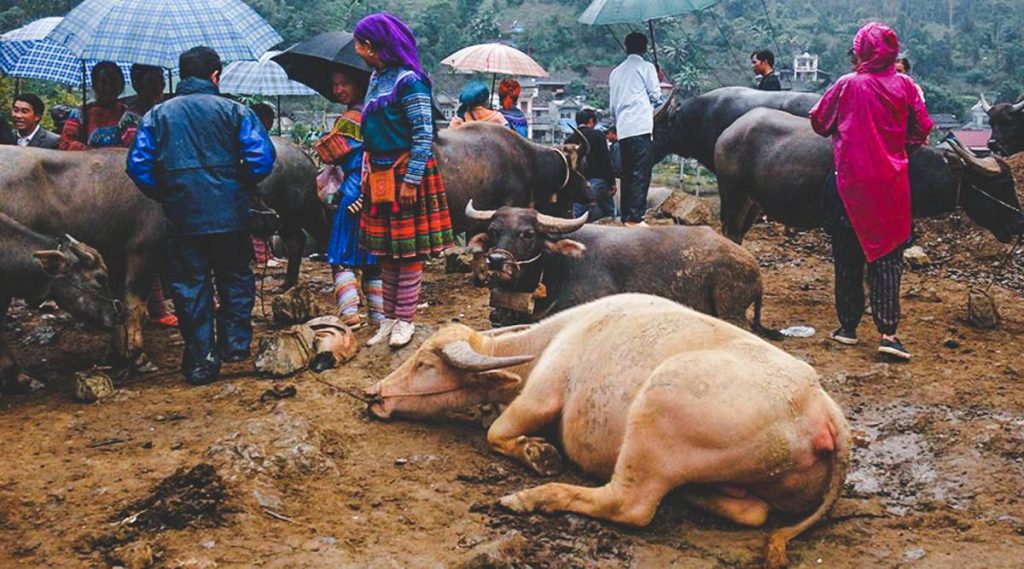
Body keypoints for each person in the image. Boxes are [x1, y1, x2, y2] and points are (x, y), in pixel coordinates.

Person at [127, 46, 276, 385]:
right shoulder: (236, 112)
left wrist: (165, 193)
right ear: (215, 75)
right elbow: (262, 159)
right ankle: (235, 345)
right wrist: (238, 184)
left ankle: (200, 358)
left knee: (189, 286)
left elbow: (137, 165)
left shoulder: (157, 116)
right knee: (236, 277)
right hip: (231, 215)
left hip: (183, 218)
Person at [809, 22, 932, 361]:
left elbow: (819, 122)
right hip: (890, 186)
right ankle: (888, 334)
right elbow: (922, 129)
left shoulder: (847, 85)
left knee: (847, 258)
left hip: (848, 185)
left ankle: (848, 328)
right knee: (888, 259)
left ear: (861, 51)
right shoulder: (905, 85)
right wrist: (897, 148)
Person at [353, 12, 455, 348]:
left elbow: (424, 133)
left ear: (372, 46)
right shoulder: (376, 79)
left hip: (405, 173)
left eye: (359, 43)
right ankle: (388, 319)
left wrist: (411, 180)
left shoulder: (410, 81)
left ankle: (405, 320)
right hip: (379, 175)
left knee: (408, 252)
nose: (356, 49)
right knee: (385, 253)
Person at [317, 67, 384, 329]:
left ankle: (350, 315)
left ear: (359, 85)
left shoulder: (350, 120)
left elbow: (329, 153)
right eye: (335, 85)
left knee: (342, 256)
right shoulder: (380, 113)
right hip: (378, 192)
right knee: (373, 260)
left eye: (344, 84)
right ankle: (378, 319)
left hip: (354, 191)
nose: (338, 90)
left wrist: (326, 138)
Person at [118, 64, 179, 328]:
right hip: (141, 188)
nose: (157, 85)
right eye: (150, 80)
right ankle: (157, 306)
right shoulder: (130, 116)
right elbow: (134, 153)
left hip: (171, 183)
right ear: (137, 83)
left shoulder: (172, 107)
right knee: (149, 245)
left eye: (160, 79)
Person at [609, 32, 663, 226]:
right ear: (645, 48)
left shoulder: (615, 72)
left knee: (627, 174)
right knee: (641, 172)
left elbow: (612, 106)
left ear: (626, 48)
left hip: (623, 128)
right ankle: (635, 216)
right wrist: (658, 79)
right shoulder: (647, 67)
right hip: (640, 126)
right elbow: (656, 97)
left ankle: (625, 216)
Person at [247, 102, 285, 269]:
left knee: (261, 220)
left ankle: (266, 255)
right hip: (252, 184)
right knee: (257, 219)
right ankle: (262, 258)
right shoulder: (255, 138)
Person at [60, 61, 128, 150]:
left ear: (121, 84)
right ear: (94, 85)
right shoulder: (81, 113)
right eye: (103, 82)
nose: (109, 87)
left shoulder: (127, 113)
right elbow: (65, 143)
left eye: (113, 82)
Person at [566, 108, 615, 220]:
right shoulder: (598, 135)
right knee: (609, 210)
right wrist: (612, 182)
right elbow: (605, 160)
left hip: (576, 181)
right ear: (591, 121)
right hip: (598, 180)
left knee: (577, 208)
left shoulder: (569, 140)